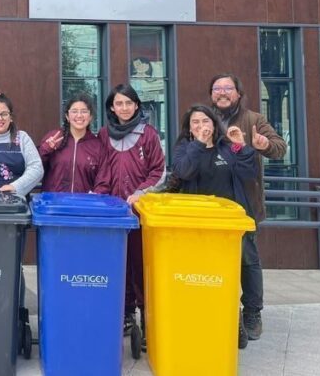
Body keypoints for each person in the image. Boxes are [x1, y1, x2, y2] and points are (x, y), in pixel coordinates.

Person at [170, 104, 258, 350]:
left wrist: (241, 146)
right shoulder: (183, 149)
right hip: (197, 226)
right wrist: (198, 144)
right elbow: (184, 171)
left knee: (234, 271)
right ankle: (203, 320)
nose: (201, 127)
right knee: (201, 276)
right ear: (189, 129)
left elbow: (248, 172)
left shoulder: (227, 147)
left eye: (205, 122)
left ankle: (237, 316)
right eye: (195, 123)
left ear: (214, 124)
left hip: (229, 227)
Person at [209, 73, 287, 342]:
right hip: (210, 208)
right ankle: (217, 309)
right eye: (217, 88)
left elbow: (279, 147)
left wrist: (264, 145)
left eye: (228, 88)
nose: (222, 92)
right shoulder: (203, 118)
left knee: (248, 260)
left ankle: (252, 311)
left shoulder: (254, 120)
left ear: (238, 94)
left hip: (244, 206)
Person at [92, 83, 165, 345]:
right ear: (111, 107)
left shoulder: (148, 135)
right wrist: (99, 195)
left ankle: (148, 322)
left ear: (136, 106)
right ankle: (124, 315)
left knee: (139, 266)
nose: (123, 108)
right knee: (116, 265)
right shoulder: (102, 134)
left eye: (128, 103)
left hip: (138, 213)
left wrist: (141, 192)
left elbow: (159, 171)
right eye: (118, 103)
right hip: (112, 214)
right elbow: (100, 169)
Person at [38, 94, 101, 193]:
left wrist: (96, 197)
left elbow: (102, 180)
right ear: (67, 116)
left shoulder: (97, 146)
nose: (79, 115)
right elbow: (35, 168)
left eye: (84, 111)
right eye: (74, 111)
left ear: (90, 117)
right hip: (54, 204)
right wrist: (46, 149)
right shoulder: (54, 138)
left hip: (84, 205)